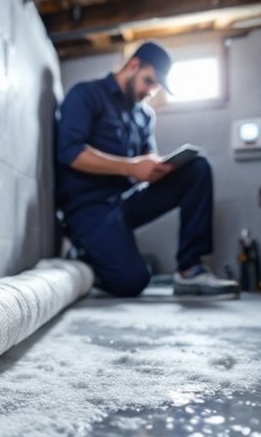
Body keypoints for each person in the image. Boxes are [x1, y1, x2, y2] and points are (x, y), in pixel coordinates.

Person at [55, 41, 239, 297]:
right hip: (89, 209)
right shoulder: (86, 95)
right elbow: (69, 152)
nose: (151, 91)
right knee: (133, 281)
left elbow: (146, 157)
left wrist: (157, 167)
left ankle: (189, 270)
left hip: (127, 202)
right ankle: (84, 252)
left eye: (156, 86)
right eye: (149, 81)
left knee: (197, 168)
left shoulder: (145, 116)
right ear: (134, 65)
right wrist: (130, 167)